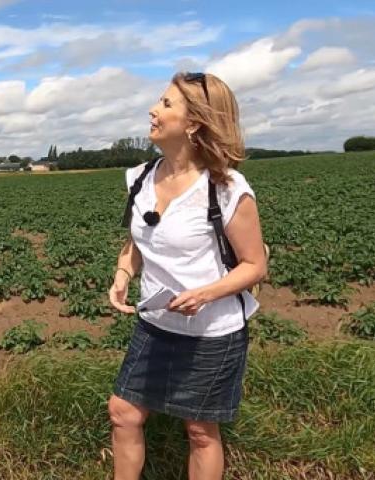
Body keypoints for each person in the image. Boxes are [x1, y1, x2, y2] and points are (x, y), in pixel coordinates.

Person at [107, 72, 267, 480]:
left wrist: (205, 294)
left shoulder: (226, 188)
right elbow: (139, 240)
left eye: (165, 104)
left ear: (194, 122)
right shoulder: (140, 178)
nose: (152, 110)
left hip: (213, 332)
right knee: (123, 413)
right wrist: (123, 273)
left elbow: (254, 265)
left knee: (199, 431)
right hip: (155, 324)